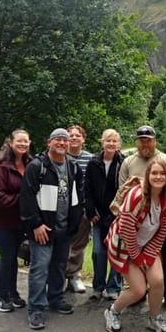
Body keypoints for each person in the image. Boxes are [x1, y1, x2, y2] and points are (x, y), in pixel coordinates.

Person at [20, 128, 84, 330]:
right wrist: (36, 224)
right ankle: (36, 309)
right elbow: (27, 198)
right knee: (40, 268)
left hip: (64, 229)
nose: (62, 143)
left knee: (59, 266)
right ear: (49, 142)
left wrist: (74, 223)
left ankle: (55, 298)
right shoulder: (37, 167)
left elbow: (78, 195)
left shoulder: (73, 167)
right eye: (58, 139)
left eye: (65, 140)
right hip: (43, 228)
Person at [104, 158, 166, 332]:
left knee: (158, 281)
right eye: (154, 173)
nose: (158, 177)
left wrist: (149, 256)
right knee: (138, 290)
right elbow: (126, 230)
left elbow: (163, 229)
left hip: (147, 245)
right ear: (148, 175)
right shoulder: (137, 196)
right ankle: (112, 311)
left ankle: (154, 317)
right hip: (126, 246)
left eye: (162, 174)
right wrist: (137, 257)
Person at [119, 125, 166, 310]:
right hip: (134, 223)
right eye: (142, 140)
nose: (145, 143)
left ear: (154, 141)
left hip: (158, 219)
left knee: (164, 256)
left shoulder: (165, 160)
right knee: (134, 258)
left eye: (149, 140)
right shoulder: (128, 162)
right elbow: (122, 191)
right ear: (137, 141)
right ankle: (138, 291)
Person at [0, 129, 32, 312]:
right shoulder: (0, 166)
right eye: (19, 141)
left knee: (13, 259)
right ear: (11, 143)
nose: (23, 144)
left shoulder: (29, 163)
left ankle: (13, 294)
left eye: (26, 141)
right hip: (0, 222)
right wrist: (22, 199)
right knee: (8, 257)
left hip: (19, 221)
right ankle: (1, 297)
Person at [85, 128, 124, 300]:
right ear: (102, 142)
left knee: (116, 252)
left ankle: (114, 288)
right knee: (98, 252)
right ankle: (98, 286)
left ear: (118, 144)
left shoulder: (123, 162)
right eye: (108, 140)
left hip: (117, 216)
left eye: (114, 141)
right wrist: (90, 210)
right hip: (98, 215)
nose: (111, 144)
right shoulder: (94, 162)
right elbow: (87, 189)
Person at [65, 124, 92, 293]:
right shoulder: (59, 156)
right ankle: (60, 275)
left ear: (83, 139)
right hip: (62, 208)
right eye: (71, 135)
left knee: (78, 244)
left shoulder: (91, 159)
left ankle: (74, 275)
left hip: (82, 208)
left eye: (77, 135)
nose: (74, 138)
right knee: (61, 243)